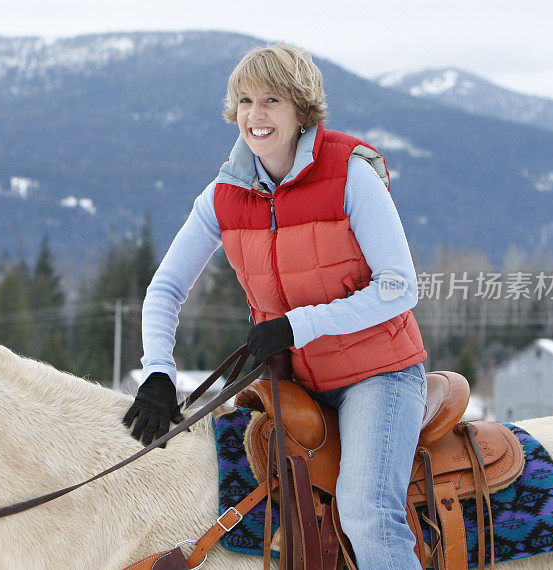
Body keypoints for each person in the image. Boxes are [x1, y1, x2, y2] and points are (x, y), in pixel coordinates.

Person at [123, 42, 428, 569]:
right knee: (237, 503)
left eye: (271, 100)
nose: (255, 115)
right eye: (244, 101)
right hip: (292, 384)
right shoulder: (224, 194)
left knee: (366, 513)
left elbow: (400, 286)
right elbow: (165, 289)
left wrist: (297, 326)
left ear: (301, 108)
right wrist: (157, 373)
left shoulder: (349, 171)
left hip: (377, 375)